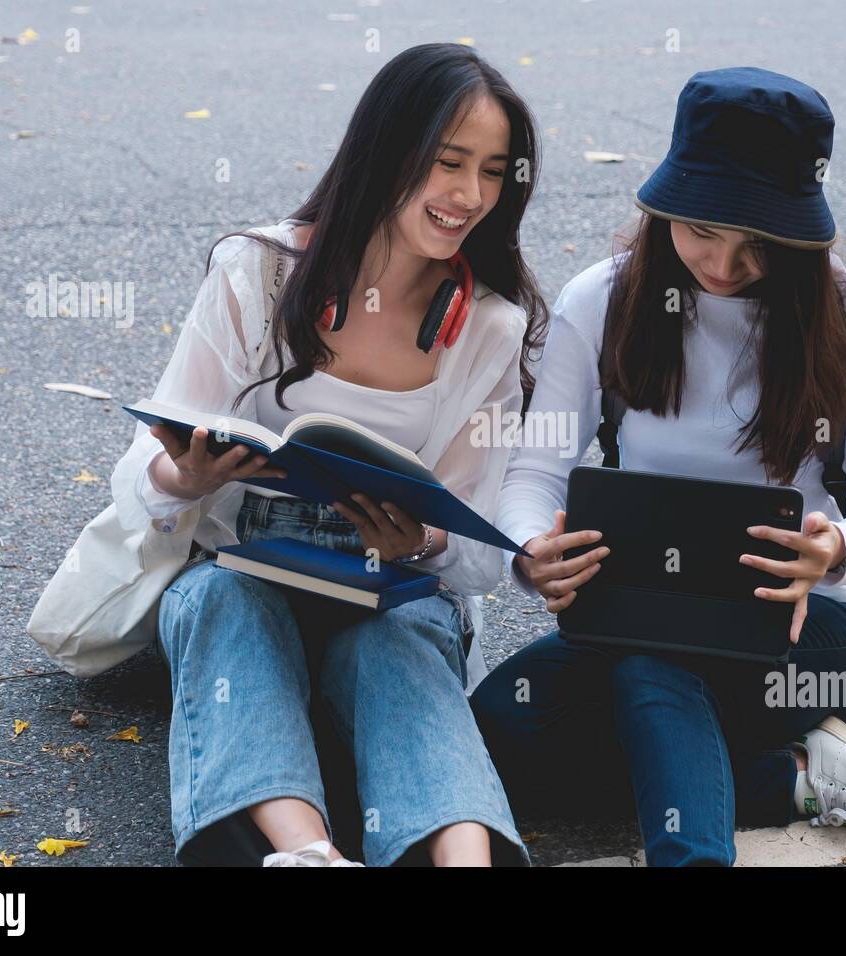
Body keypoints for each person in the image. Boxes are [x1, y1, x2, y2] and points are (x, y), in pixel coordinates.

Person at [470, 67, 846, 866]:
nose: (723, 264)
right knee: (498, 728)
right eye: (700, 232)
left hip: (813, 631)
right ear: (662, 211)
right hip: (640, 612)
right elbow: (534, 476)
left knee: (656, 664)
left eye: (758, 242)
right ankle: (797, 777)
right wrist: (531, 551)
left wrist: (832, 552)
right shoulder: (604, 299)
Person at [108, 42, 547, 866]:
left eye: (493, 171)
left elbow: (479, 553)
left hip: (391, 596)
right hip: (248, 577)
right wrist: (189, 473)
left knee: (407, 636)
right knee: (218, 599)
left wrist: (416, 541)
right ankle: (304, 854)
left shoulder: (488, 324)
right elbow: (144, 474)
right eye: (449, 162)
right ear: (388, 150)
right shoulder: (259, 273)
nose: (469, 195)